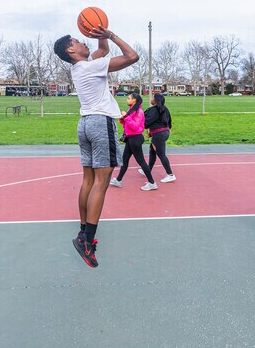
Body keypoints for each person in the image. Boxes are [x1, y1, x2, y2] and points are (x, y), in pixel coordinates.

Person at [53, 26, 139, 268]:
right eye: (79, 41)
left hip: (85, 124)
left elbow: (102, 49)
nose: (83, 42)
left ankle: (83, 233)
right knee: (101, 182)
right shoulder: (91, 67)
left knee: (88, 181)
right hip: (101, 123)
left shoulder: (80, 67)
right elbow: (132, 56)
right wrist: (111, 34)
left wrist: (99, 32)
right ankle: (88, 242)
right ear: (71, 49)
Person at [109, 93, 157, 191]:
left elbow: (135, 126)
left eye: (129, 98)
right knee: (124, 160)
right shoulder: (131, 110)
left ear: (134, 100)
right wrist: (122, 119)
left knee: (141, 161)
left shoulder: (139, 112)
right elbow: (126, 125)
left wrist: (126, 117)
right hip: (130, 138)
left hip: (135, 138)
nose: (127, 100)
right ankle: (118, 180)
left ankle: (152, 183)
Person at [138, 92, 175, 183]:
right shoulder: (165, 109)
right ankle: (147, 169)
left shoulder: (154, 110)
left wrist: (141, 126)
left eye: (153, 98)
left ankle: (170, 174)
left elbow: (147, 121)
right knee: (153, 151)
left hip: (159, 134)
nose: (151, 99)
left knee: (161, 154)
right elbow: (168, 122)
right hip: (164, 133)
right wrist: (151, 133)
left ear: (156, 100)